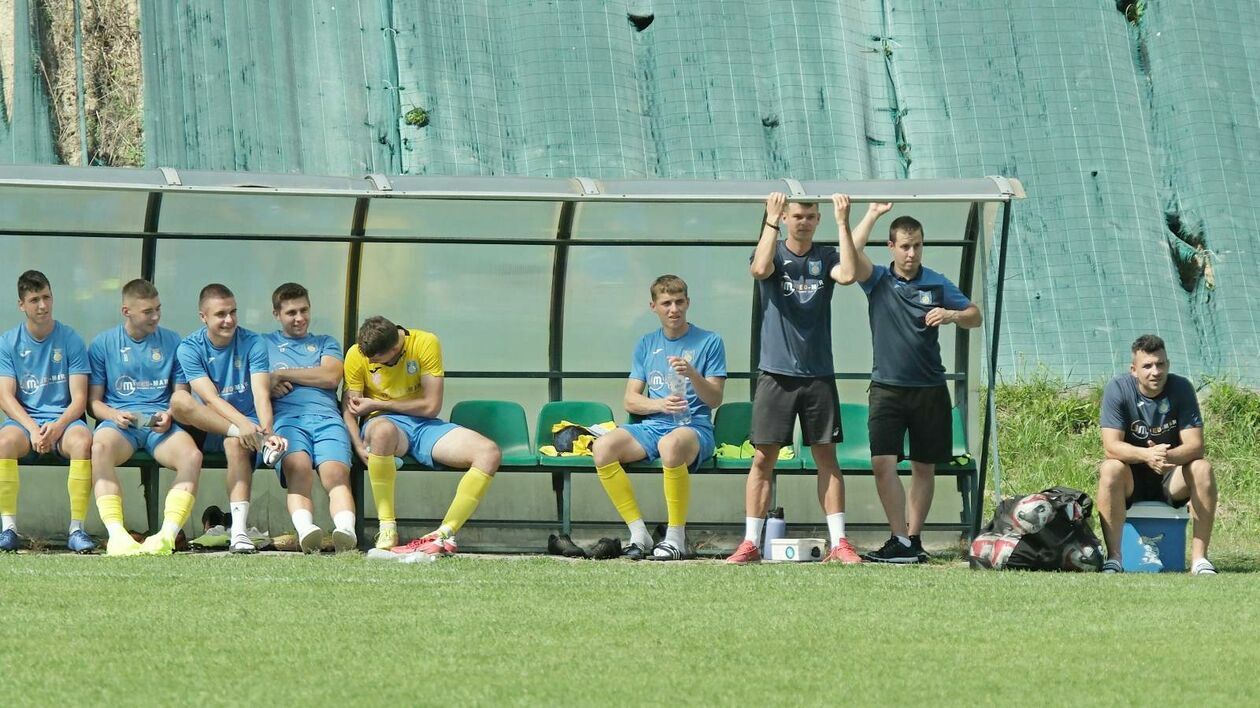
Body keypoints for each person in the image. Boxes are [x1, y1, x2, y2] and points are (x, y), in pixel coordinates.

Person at [834, 196, 982, 563]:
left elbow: (974, 315)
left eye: (917, 246)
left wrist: (951, 315)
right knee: (882, 462)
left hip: (930, 388)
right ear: (891, 247)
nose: (912, 253)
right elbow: (849, 255)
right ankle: (898, 537)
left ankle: (912, 540)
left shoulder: (936, 283)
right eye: (904, 246)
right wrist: (869, 214)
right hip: (886, 388)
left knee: (922, 466)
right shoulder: (878, 279)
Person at [726, 193, 861, 565]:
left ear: (818, 220)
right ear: (786, 217)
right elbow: (758, 270)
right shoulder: (773, 251)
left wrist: (843, 221)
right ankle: (751, 542)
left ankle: (840, 543)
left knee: (826, 458)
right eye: (797, 215)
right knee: (762, 458)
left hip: (818, 374)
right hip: (776, 374)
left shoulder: (826, 256)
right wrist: (770, 220)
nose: (804, 222)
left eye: (811, 216)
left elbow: (848, 275)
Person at [590, 275, 726, 560]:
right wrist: (660, 404)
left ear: (688, 303)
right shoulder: (646, 343)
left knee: (671, 445)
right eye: (666, 303)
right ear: (654, 306)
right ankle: (639, 533)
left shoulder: (710, 341)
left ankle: (675, 537)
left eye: (679, 302)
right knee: (602, 447)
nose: (673, 309)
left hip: (693, 428)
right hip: (653, 426)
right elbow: (630, 399)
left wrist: (692, 374)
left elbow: (714, 399)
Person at [342, 316, 500, 555]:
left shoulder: (425, 342)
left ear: (395, 349)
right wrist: (358, 445)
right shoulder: (357, 353)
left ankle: (442, 534)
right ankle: (387, 528)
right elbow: (350, 409)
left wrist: (377, 402)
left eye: (378, 361)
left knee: (488, 453)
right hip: (384, 424)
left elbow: (431, 406)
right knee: (383, 431)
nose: (371, 363)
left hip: (425, 425)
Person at [88, 279, 204, 556]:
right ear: (126, 311)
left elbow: (181, 394)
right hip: (122, 424)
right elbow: (94, 403)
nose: (155, 316)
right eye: (147, 311)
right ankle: (117, 536)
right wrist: (114, 415)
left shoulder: (174, 341)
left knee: (193, 456)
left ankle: (166, 536)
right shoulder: (103, 344)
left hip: (158, 424)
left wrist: (170, 414)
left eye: (158, 309)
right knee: (99, 447)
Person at [169, 283, 287, 554]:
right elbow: (210, 398)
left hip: (249, 426)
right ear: (203, 317)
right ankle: (248, 437)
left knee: (236, 445)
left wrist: (266, 431)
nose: (229, 320)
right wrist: (242, 427)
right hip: (209, 423)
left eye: (233, 312)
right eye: (221, 314)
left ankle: (240, 532)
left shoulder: (253, 341)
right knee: (179, 401)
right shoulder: (189, 347)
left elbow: (260, 394)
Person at [1097, 334, 1217, 575]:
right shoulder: (1118, 389)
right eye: (1147, 366)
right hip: (1131, 479)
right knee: (1110, 468)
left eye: (1160, 364)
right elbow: (1111, 447)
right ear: (1134, 370)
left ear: (1168, 365)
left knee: (1202, 467)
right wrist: (1146, 455)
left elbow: (1195, 446)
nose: (1155, 371)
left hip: (1170, 479)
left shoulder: (1181, 387)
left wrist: (1164, 458)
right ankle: (1114, 559)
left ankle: (1199, 560)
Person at [0, 270, 95, 553]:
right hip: (25, 423)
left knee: (84, 442)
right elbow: (4, 396)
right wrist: (31, 428)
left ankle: (77, 529)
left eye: (46, 297)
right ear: (22, 305)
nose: (42, 306)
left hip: (65, 421)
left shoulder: (71, 339)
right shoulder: (8, 342)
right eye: (34, 300)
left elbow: (79, 400)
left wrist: (56, 427)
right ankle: (8, 528)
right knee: (3, 443)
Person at [264, 283, 357, 553]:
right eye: (291, 312)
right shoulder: (263, 344)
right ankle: (307, 531)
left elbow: (330, 376)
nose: (299, 318)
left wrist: (281, 374)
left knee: (336, 473)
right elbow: (251, 382)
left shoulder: (326, 342)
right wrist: (267, 385)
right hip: (287, 420)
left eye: (304, 310)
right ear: (277, 315)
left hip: (327, 418)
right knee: (298, 467)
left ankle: (345, 531)